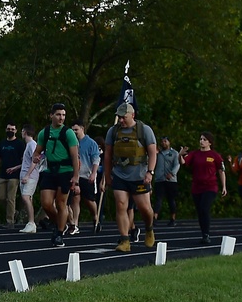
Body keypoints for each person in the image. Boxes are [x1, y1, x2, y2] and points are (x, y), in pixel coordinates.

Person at [103, 103, 157, 253]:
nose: (121, 120)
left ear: (132, 115)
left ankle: (149, 229)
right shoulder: (113, 132)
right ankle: (125, 240)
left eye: (123, 117)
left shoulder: (144, 130)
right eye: (119, 117)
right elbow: (107, 155)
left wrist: (150, 172)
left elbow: (153, 153)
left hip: (139, 176)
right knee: (121, 205)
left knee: (145, 209)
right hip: (120, 175)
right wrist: (107, 176)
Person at [30, 103, 80, 247]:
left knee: (61, 203)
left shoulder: (68, 133)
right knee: (46, 203)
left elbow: (75, 156)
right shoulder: (44, 133)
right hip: (50, 171)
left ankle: (58, 234)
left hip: (65, 171)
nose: (61, 118)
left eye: (63, 115)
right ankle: (60, 223)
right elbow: (37, 152)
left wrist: (75, 177)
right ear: (51, 115)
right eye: (58, 114)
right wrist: (35, 157)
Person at [179, 132, 227, 244]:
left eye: (204, 139)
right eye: (200, 139)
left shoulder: (215, 155)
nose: (201, 141)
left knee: (204, 208)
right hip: (196, 187)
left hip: (210, 186)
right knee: (200, 211)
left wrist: (224, 186)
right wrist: (180, 154)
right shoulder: (194, 154)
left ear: (209, 142)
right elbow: (183, 162)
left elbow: (221, 170)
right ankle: (204, 233)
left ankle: (206, 234)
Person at [70, 120, 101, 235]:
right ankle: (75, 224)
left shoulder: (91, 143)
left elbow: (96, 159)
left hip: (87, 175)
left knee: (89, 200)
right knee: (75, 199)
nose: (74, 132)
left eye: (76, 130)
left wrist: (93, 173)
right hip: (76, 176)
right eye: (72, 130)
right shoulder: (71, 142)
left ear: (82, 129)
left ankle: (95, 216)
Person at [0, 122, 26, 228]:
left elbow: (24, 160)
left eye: (12, 129)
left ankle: (10, 221)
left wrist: (17, 169)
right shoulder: (2, 143)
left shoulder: (20, 144)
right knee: (0, 197)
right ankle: (13, 212)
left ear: (16, 131)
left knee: (11, 198)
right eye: (8, 129)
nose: (10, 131)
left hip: (14, 175)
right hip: (3, 174)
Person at [152, 136, 181, 228]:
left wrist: (172, 173)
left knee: (171, 200)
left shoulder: (174, 153)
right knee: (158, 199)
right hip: (159, 179)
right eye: (162, 141)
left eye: (165, 141)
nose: (163, 143)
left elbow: (177, 164)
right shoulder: (158, 153)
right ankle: (154, 218)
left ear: (169, 142)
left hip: (171, 180)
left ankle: (172, 218)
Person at [18, 124, 39, 233]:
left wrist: (27, 175)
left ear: (25, 132)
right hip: (25, 174)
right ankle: (30, 223)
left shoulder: (32, 145)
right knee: (26, 198)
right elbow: (26, 162)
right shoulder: (28, 145)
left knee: (26, 197)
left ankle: (31, 222)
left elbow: (35, 161)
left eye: (22, 131)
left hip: (30, 176)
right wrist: (16, 168)